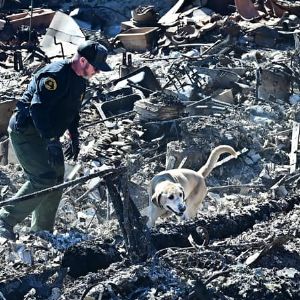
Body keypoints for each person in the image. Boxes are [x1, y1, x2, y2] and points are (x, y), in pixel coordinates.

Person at [0, 40, 112, 240]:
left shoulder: (79, 80)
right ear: (84, 61)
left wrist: (74, 135)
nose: (98, 72)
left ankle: (42, 231)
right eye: (96, 67)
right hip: (27, 131)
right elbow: (38, 109)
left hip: (48, 134)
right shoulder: (55, 75)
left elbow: (72, 110)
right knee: (42, 177)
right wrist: (51, 140)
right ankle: (4, 220)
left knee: (57, 179)